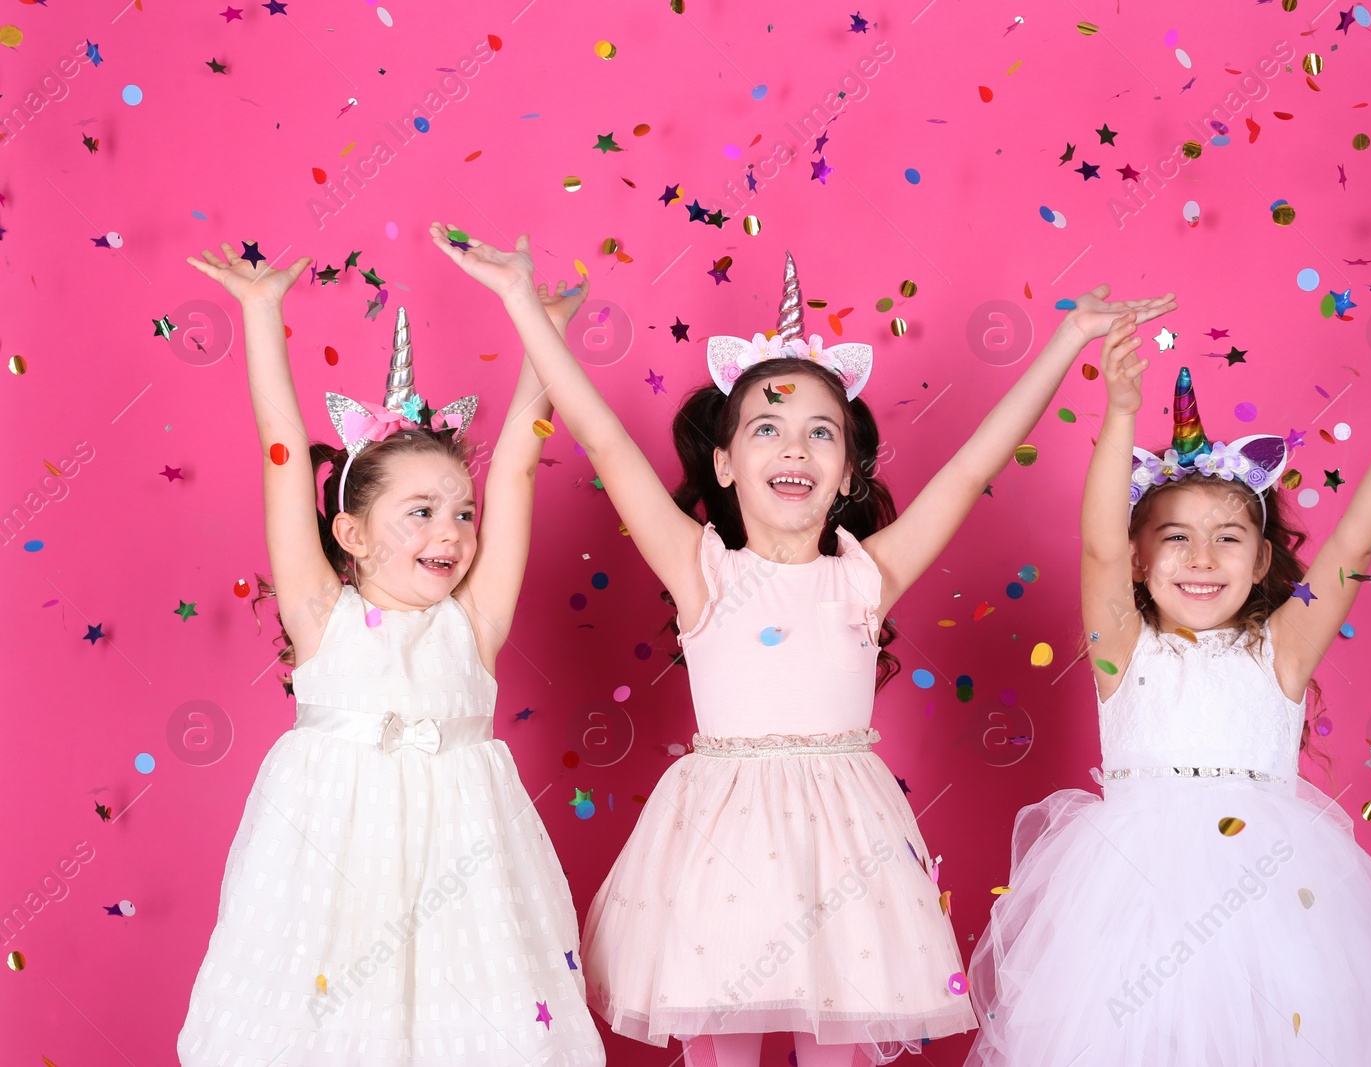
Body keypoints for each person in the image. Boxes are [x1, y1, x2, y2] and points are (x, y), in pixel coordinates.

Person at [429, 222, 1175, 1067]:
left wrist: (1069, 339)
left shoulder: (866, 574)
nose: (794, 445)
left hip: (845, 847)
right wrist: (524, 302)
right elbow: (601, 437)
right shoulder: (700, 568)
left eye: (822, 431)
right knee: (725, 1048)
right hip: (718, 843)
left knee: (837, 1046)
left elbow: (973, 466)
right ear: (723, 464)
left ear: (851, 471)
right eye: (767, 429)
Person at [965, 308, 1371, 1066]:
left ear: (1260, 558)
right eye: (1175, 536)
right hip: (1131, 906)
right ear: (1141, 559)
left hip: (1270, 903)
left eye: (1228, 537)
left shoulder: (1283, 648)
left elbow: (1354, 541)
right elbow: (1096, 542)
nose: (1203, 557)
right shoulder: (1122, 647)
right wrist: (1120, 411)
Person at [176, 240, 605, 1067]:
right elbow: (280, 448)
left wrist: (541, 340)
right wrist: (262, 313)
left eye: (461, 512)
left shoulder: (472, 622)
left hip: (463, 870)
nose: (450, 530)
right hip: (331, 866)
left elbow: (516, 466)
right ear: (351, 532)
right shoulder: (320, 615)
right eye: (420, 511)